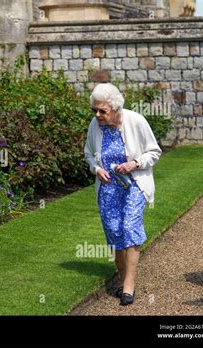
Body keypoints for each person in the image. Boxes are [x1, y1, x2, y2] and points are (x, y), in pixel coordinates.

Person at [84, 83, 162, 306]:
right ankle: (122, 277)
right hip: (108, 189)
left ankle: (128, 286)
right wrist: (96, 169)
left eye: (102, 111)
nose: (97, 115)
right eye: (94, 110)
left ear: (115, 109)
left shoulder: (135, 121)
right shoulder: (95, 126)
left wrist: (134, 163)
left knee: (129, 227)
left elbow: (154, 151)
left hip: (134, 185)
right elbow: (88, 153)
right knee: (115, 233)